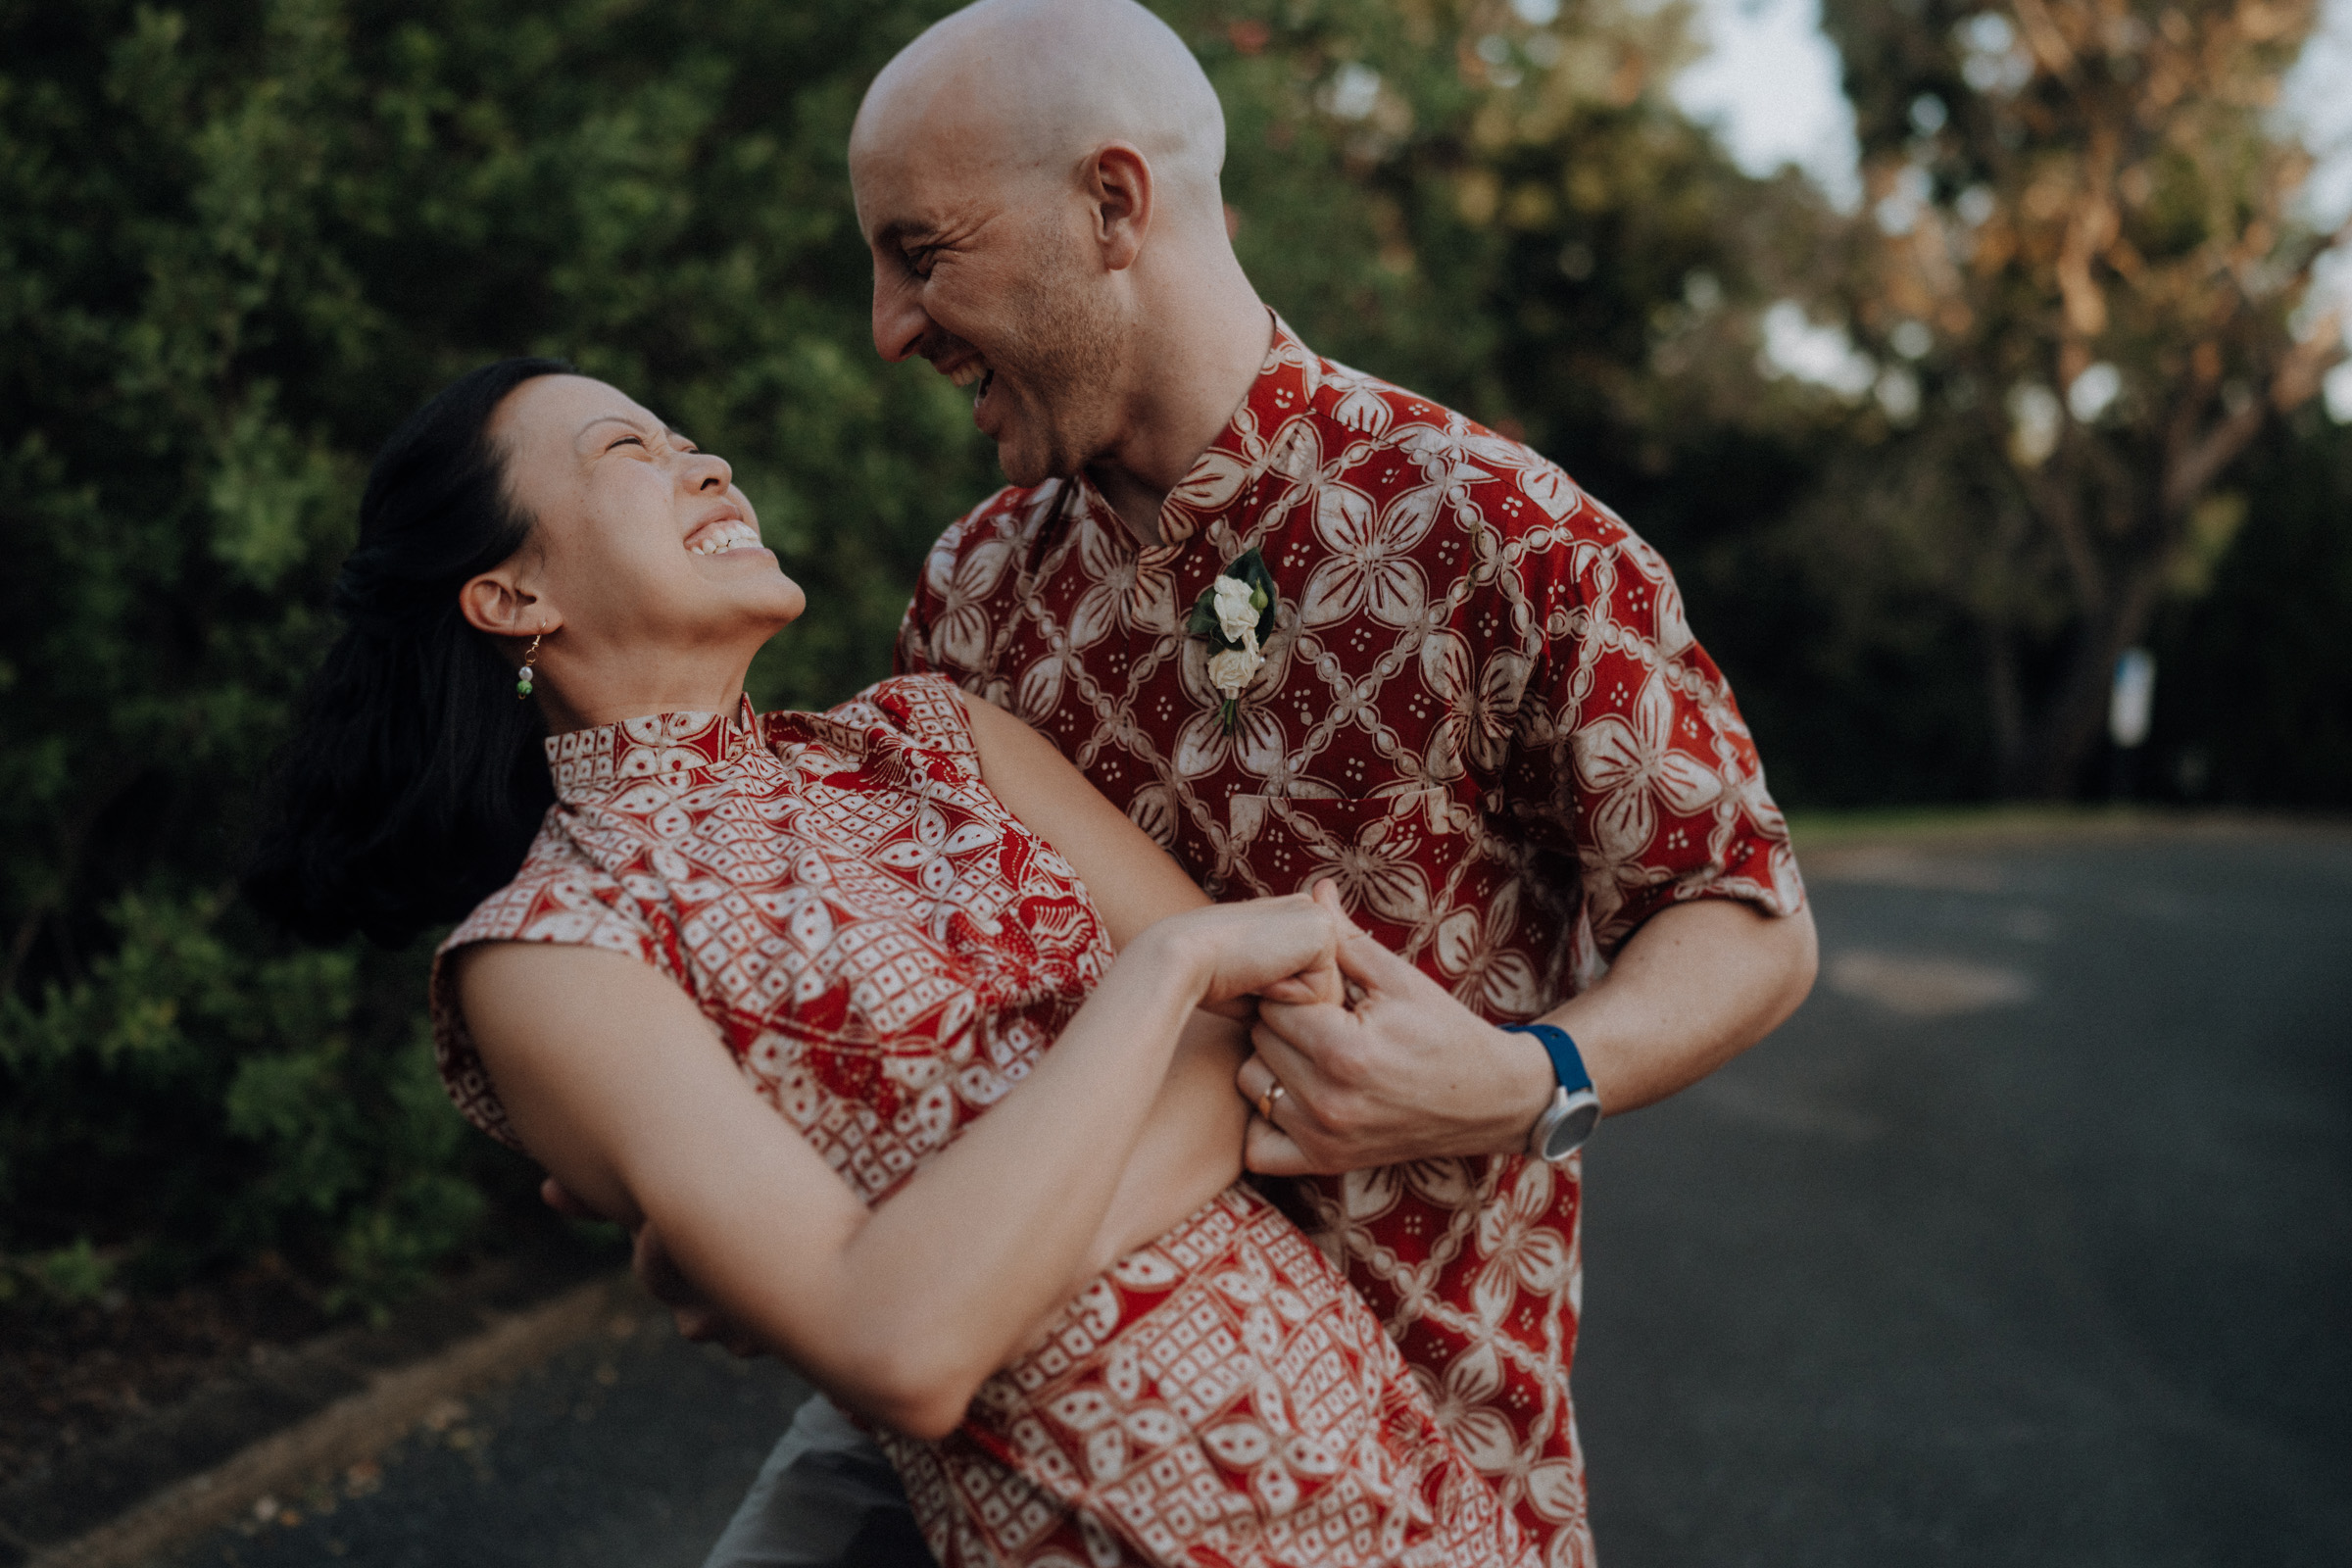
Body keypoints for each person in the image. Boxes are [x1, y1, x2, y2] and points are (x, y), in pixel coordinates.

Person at [679, 2, 1823, 1565]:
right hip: (1007, 1385)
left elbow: (1746, 913)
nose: (886, 325)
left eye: (920, 251)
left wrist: (1533, 1078)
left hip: (1390, 1446)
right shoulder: (971, 588)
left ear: (1114, 204)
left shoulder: (1506, 534)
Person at [244, 358, 1544, 1567]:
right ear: (511, 595)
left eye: (692, 441)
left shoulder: (933, 740)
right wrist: (1165, 976)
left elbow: (1259, 1050)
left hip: (1390, 1472)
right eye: (626, 451)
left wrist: (967, 1262)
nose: (706, 466)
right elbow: (906, 1350)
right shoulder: (548, 952)